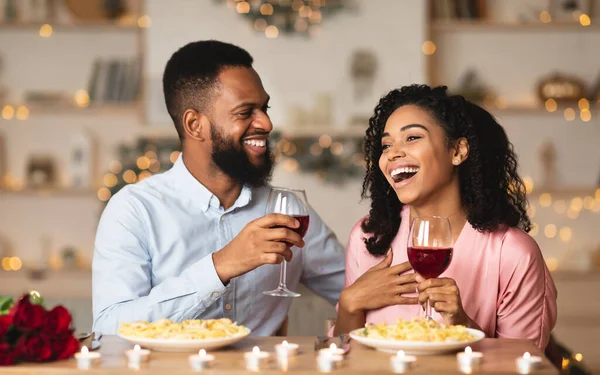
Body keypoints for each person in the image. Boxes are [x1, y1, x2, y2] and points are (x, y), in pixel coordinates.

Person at [92, 40, 345, 335]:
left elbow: (353, 288)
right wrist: (219, 267)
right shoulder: (135, 210)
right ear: (194, 124)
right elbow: (109, 327)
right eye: (245, 112)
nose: (266, 123)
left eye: (264, 108)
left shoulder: (286, 209)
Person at [333, 84, 557, 350]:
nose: (393, 153)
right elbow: (341, 354)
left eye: (412, 137)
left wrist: (463, 325)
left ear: (458, 151)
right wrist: (350, 303)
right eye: (386, 144)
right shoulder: (368, 237)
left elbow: (521, 364)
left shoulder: (513, 253)